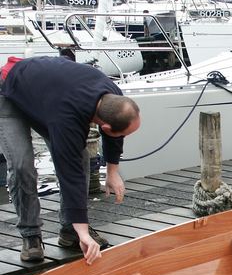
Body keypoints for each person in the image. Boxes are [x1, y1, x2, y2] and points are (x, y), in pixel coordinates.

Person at [0, 56, 141, 264]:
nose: (123, 137)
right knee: (22, 165)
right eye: (123, 134)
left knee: (82, 158)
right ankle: (31, 235)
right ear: (105, 127)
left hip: (47, 95)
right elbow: (70, 174)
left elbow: (116, 134)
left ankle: (69, 232)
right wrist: (84, 232)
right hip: (9, 91)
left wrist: (112, 171)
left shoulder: (115, 96)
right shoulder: (67, 119)